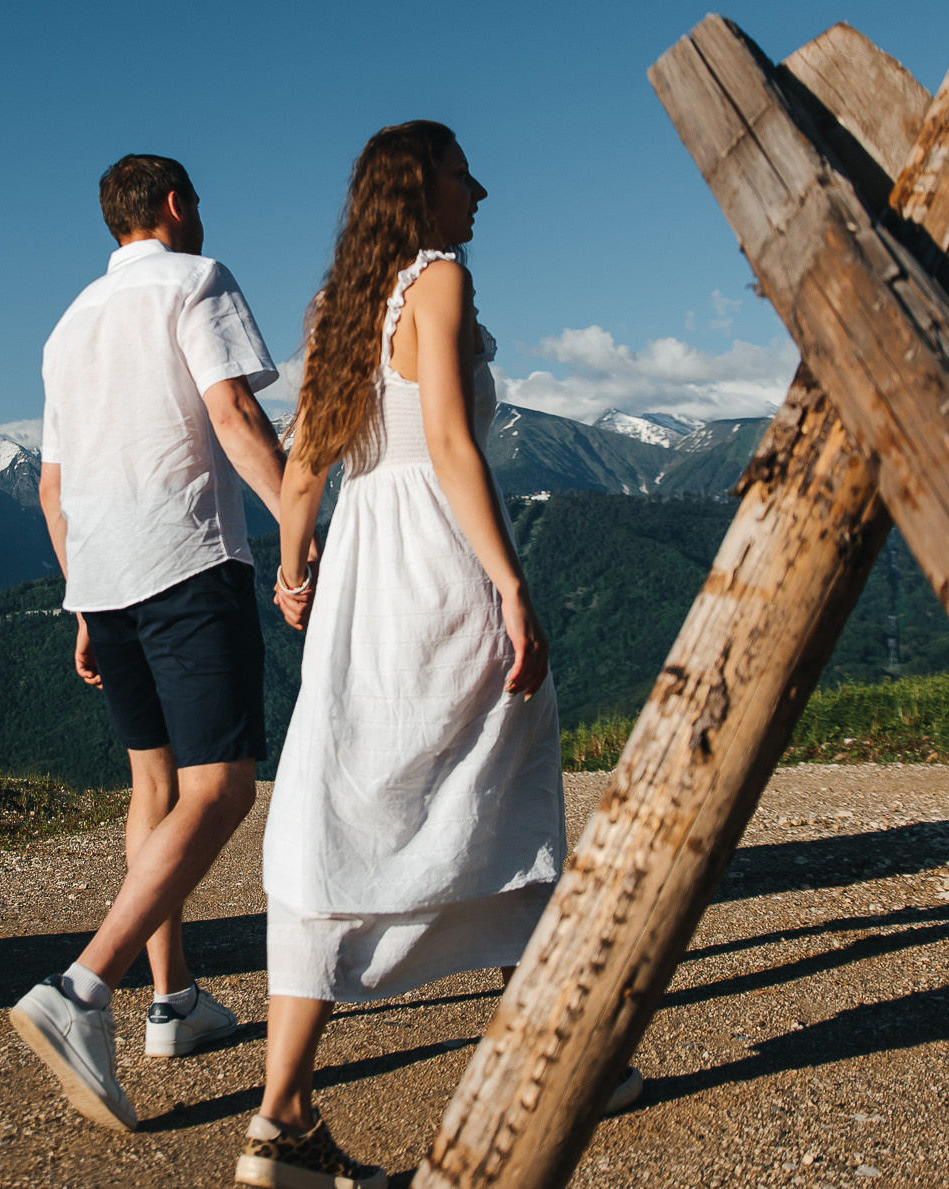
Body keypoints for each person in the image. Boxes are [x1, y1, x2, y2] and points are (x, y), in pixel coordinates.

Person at [240, 122, 635, 1189]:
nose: (483, 190)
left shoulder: (339, 307)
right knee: (504, 789)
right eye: (466, 171)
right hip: (436, 559)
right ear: (424, 187)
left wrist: (291, 568)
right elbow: (453, 445)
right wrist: (509, 583)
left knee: (339, 813)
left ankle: (280, 1118)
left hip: (360, 573)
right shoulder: (440, 282)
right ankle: (559, 1052)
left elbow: (304, 462)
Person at [8, 153, 294, 1133]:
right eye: (198, 201)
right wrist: (303, 522)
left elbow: (50, 486)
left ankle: (174, 1002)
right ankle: (84, 987)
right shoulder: (196, 279)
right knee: (222, 786)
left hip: (103, 576)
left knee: (154, 785)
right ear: (175, 205)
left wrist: (81, 604)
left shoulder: (67, 323)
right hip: (186, 559)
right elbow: (232, 410)